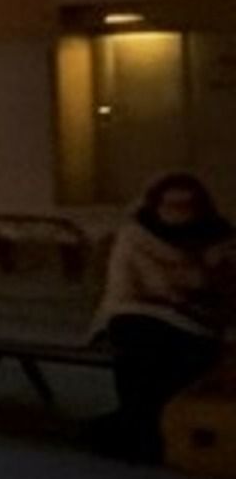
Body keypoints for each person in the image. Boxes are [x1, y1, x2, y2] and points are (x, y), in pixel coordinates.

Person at [91, 173, 235, 463]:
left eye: (187, 205)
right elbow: (129, 289)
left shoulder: (219, 238)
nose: (179, 212)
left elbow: (224, 293)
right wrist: (183, 290)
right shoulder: (136, 236)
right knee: (140, 338)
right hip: (139, 312)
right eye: (171, 204)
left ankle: (136, 426)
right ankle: (140, 428)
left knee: (174, 350)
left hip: (198, 323)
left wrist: (211, 273)